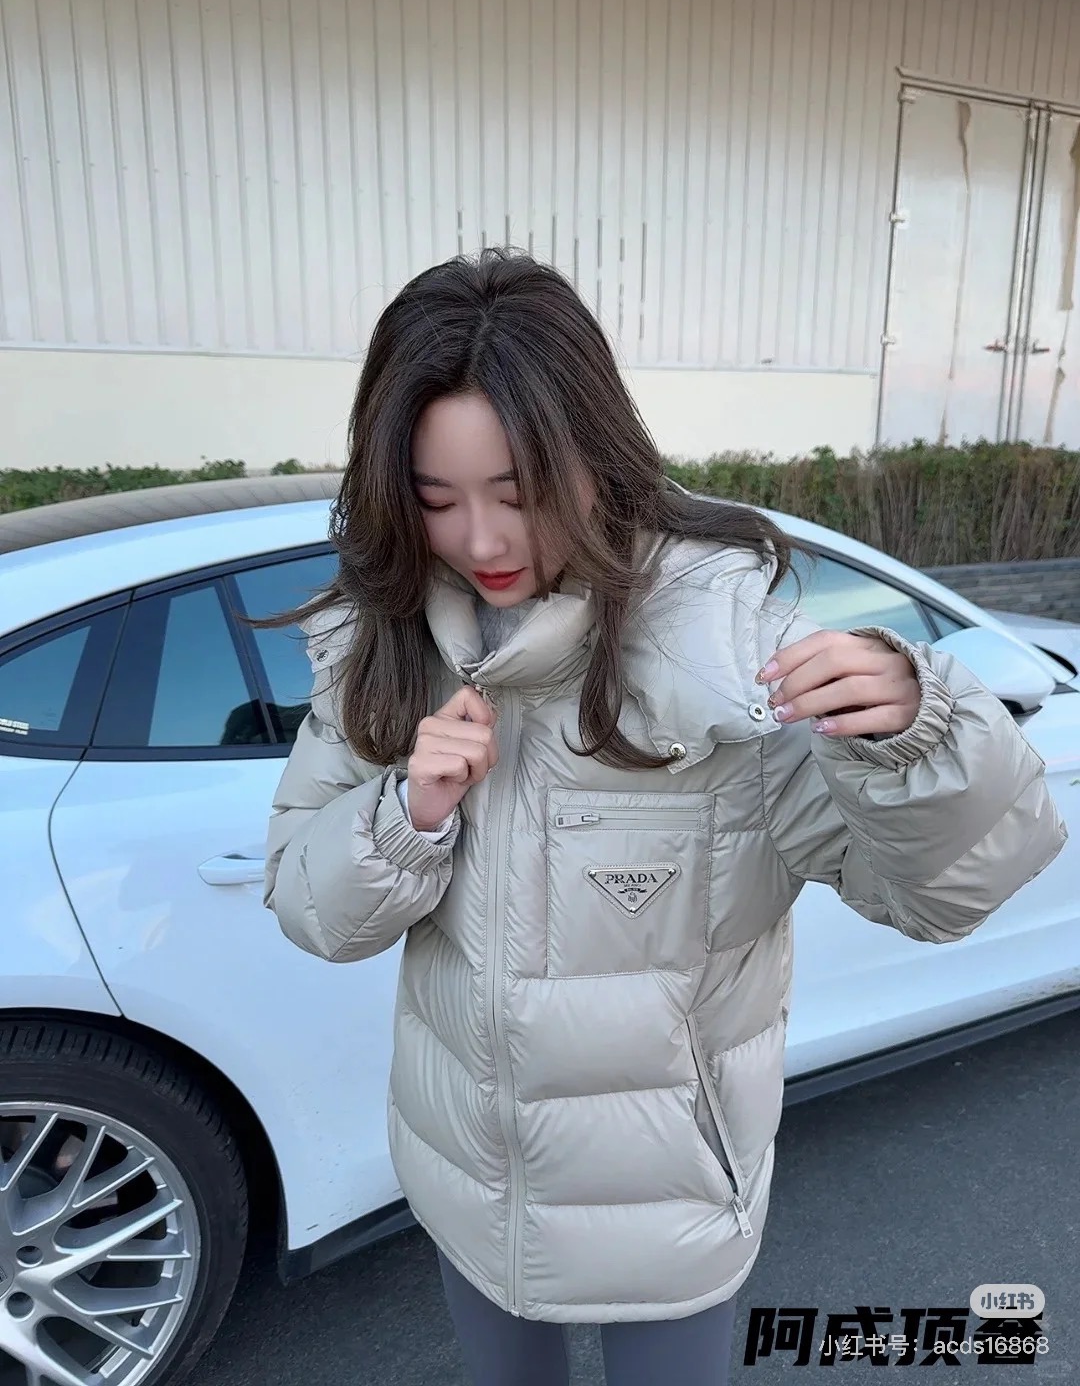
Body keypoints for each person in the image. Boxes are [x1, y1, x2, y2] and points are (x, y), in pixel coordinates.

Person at [263, 248, 1065, 1386]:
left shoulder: (724, 651)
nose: (482, 542)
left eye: (519, 494)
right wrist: (408, 815)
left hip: (672, 1207)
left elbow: (938, 899)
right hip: (464, 1184)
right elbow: (309, 906)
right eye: (439, 501)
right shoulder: (384, 650)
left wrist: (916, 733)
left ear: (596, 458)